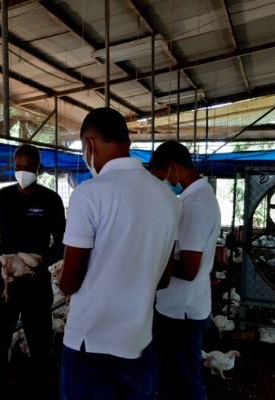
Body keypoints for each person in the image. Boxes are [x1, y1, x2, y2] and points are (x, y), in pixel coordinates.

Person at [58, 108, 180, 400]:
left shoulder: (89, 194)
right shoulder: (168, 198)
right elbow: (163, 279)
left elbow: (69, 283)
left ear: (89, 145)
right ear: (126, 142)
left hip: (91, 343)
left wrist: (61, 281)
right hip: (139, 342)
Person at [0, 144, 66, 397]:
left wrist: (41, 261)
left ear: (38, 168)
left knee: (40, 343)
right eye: (18, 166)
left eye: (27, 167)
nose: (22, 171)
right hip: (5, 278)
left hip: (36, 281)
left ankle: (39, 389)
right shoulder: (1, 197)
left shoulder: (51, 200)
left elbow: (62, 241)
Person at [149, 141, 221, 400]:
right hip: (185, 307)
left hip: (181, 312)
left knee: (183, 382)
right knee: (175, 377)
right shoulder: (194, 198)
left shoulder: (194, 206)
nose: (161, 185)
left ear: (173, 169)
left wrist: (153, 264)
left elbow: (190, 268)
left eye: (161, 178)